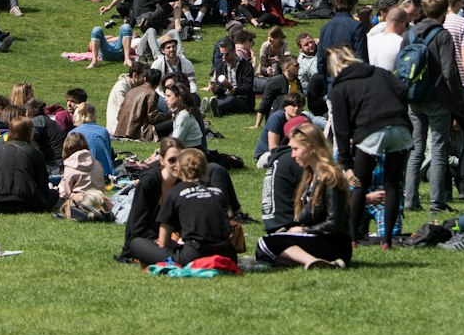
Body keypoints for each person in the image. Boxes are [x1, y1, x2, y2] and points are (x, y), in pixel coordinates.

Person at [324, 46, 413, 249]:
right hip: (400, 127)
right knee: (392, 185)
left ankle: (353, 239)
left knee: (359, 184)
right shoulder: (380, 72)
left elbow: (342, 129)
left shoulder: (340, 87)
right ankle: (387, 241)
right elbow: (403, 90)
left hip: (371, 130)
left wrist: (345, 163)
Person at [255, 125, 352, 269]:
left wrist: (303, 231)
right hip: (320, 238)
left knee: (266, 244)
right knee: (264, 250)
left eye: (295, 149)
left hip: (335, 243)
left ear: (311, 148)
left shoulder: (331, 177)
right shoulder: (310, 176)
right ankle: (318, 263)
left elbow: (334, 224)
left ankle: (311, 261)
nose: (292, 155)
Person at [155, 147, 237, 263]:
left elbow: (163, 242)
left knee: (137, 244)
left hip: (194, 255)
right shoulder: (218, 192)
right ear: (205, 169)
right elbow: (230, 220)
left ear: (179, 170)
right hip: (227, 255)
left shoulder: (174, 192)